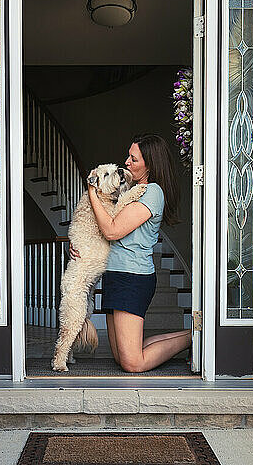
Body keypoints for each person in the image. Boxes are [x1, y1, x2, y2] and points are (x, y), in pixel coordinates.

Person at [69, 133, 192, 373]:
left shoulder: (152, 192)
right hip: (115, 274)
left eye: (133, 159)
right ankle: (193, 334)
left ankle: (197, 337)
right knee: (121, 356)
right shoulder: (130, 191)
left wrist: (92, 191)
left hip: (133, 277)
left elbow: (112, 230)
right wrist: (78, 244)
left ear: (150, 164)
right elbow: (98, 226)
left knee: (132, 363)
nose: (126, 162)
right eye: (129, 156)